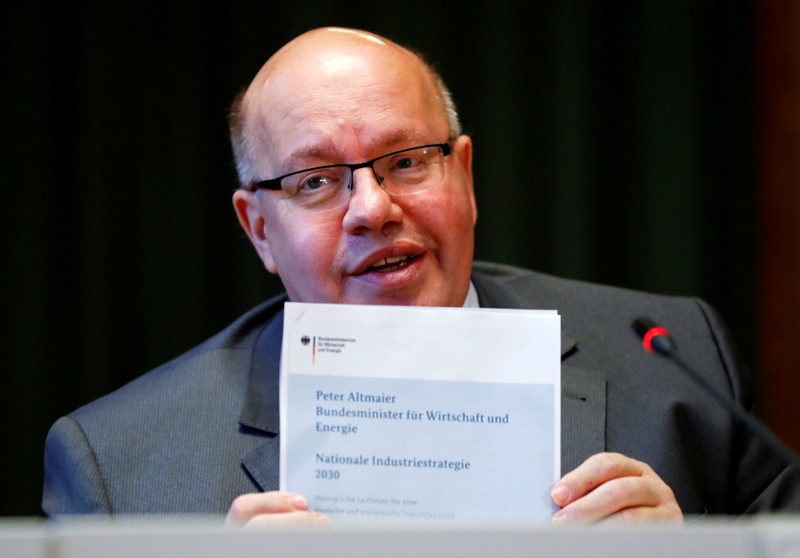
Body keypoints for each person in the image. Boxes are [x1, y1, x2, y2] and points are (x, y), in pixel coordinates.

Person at [43, 26, 799, 527]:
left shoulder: (673, 368)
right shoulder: (121, 468)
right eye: (315, 181)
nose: (372, 209)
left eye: (406, 162)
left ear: (465, 176)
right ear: (258, 229)